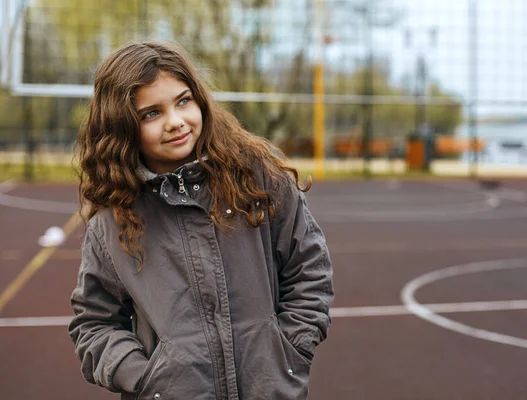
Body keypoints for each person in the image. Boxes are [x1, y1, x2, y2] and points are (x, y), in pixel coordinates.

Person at [68, 41, 334, 400]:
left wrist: (288, 353)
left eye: (183, 101)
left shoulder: (257, 178)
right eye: (151, 114)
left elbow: (309, 269)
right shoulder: (114, 220)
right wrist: (146, 379)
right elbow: (94, 323)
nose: (175, 122)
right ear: (123, 127)